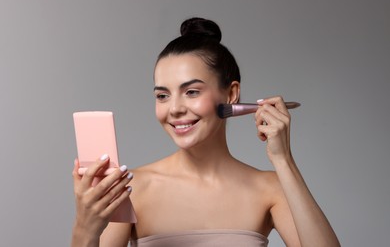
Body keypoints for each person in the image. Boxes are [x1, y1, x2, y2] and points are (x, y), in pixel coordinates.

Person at [71, 17, 340, 247]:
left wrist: (284, 160)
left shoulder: (269, 189)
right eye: (162, 95)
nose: (174, 108)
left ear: (232, 94)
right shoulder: (132, 189)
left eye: (192, 92)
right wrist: (86, 226)